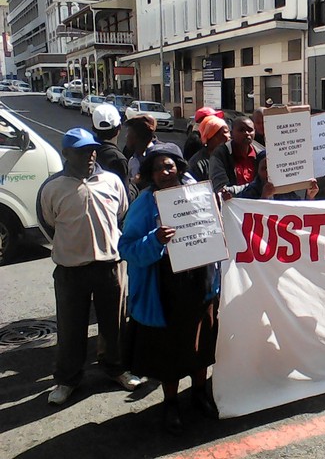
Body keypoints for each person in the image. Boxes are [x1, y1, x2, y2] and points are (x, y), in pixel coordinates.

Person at [119, 143, 220, 434]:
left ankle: (200, 393)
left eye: (169, 166)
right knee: (171, 351)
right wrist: (156, 240)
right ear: (151, 173)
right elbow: (127, 248)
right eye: (157, 168)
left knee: (201, 345)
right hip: (165, 288)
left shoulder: (198, 192)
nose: (164, 172)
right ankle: (171, 403)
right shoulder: (145, 204)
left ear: (179, 166)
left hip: (200, 282)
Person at [37, 128, 141, 406]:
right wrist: (70, 248)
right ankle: (67, 379)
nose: (90, 156)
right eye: (82, 151)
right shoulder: (52, 187)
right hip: (71, 270)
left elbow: (122, 216)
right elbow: (47, 225)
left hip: (110, 265)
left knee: (114, 323)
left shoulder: (112, 181)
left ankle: (116, 368)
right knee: (70, 327)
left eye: (92, 150)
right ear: (66, 154)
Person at [209, 116, 264, 197]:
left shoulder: (261, 154)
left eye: (250, 130)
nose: (247, 133)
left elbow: (266, 185)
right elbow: (222, 190)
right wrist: (255, 189)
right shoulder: (220, 154)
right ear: (231, 133)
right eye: (241, 130)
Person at [238, 150, 319, 200]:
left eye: (272, 168)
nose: (268, 173)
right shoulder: (250, 192)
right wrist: (264, 197)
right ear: (257, 171)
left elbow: (300, 214)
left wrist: (310, 197)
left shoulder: (286, 191)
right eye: (264, 168)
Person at [91, 104, 128, 190]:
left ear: (94, 128)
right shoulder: (118, 159)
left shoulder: (87, 152)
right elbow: (125, 197)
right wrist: (135, 184)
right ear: (119, 127)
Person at [188, 115, 230, 182]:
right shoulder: (197, 164)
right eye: (222, 134)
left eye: (227, 132)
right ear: (209, 138)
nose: (227, 137)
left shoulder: (233, 156)